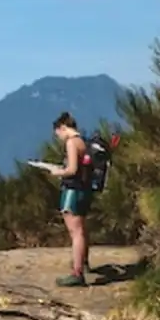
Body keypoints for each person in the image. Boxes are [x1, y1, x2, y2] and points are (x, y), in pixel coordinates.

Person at [48, 111, 92, 287]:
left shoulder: (72, 143)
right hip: (84, 190)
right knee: (81, 229)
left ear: (63, 127)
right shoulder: (84, 141)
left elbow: (72, 169)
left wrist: (57, 171)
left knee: (75, 232)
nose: (58, 137)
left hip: (73, 190)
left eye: (58, 133)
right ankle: (83, 262)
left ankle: (77, 272)